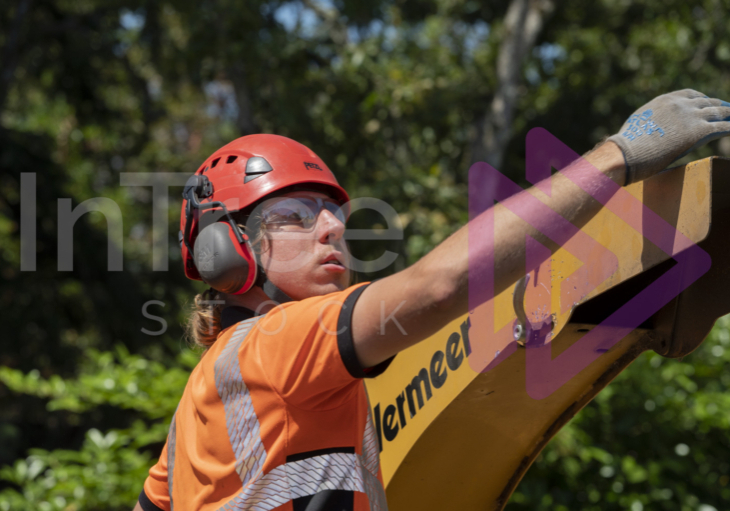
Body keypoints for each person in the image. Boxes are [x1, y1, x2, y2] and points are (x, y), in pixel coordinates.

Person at [134, 89, 730, 511]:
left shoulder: (192, 419)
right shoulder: (274, 344)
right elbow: (438, 286)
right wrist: (620, 155)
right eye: (293, 215)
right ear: (224, 249)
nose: (332, 228)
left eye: (333, 213)